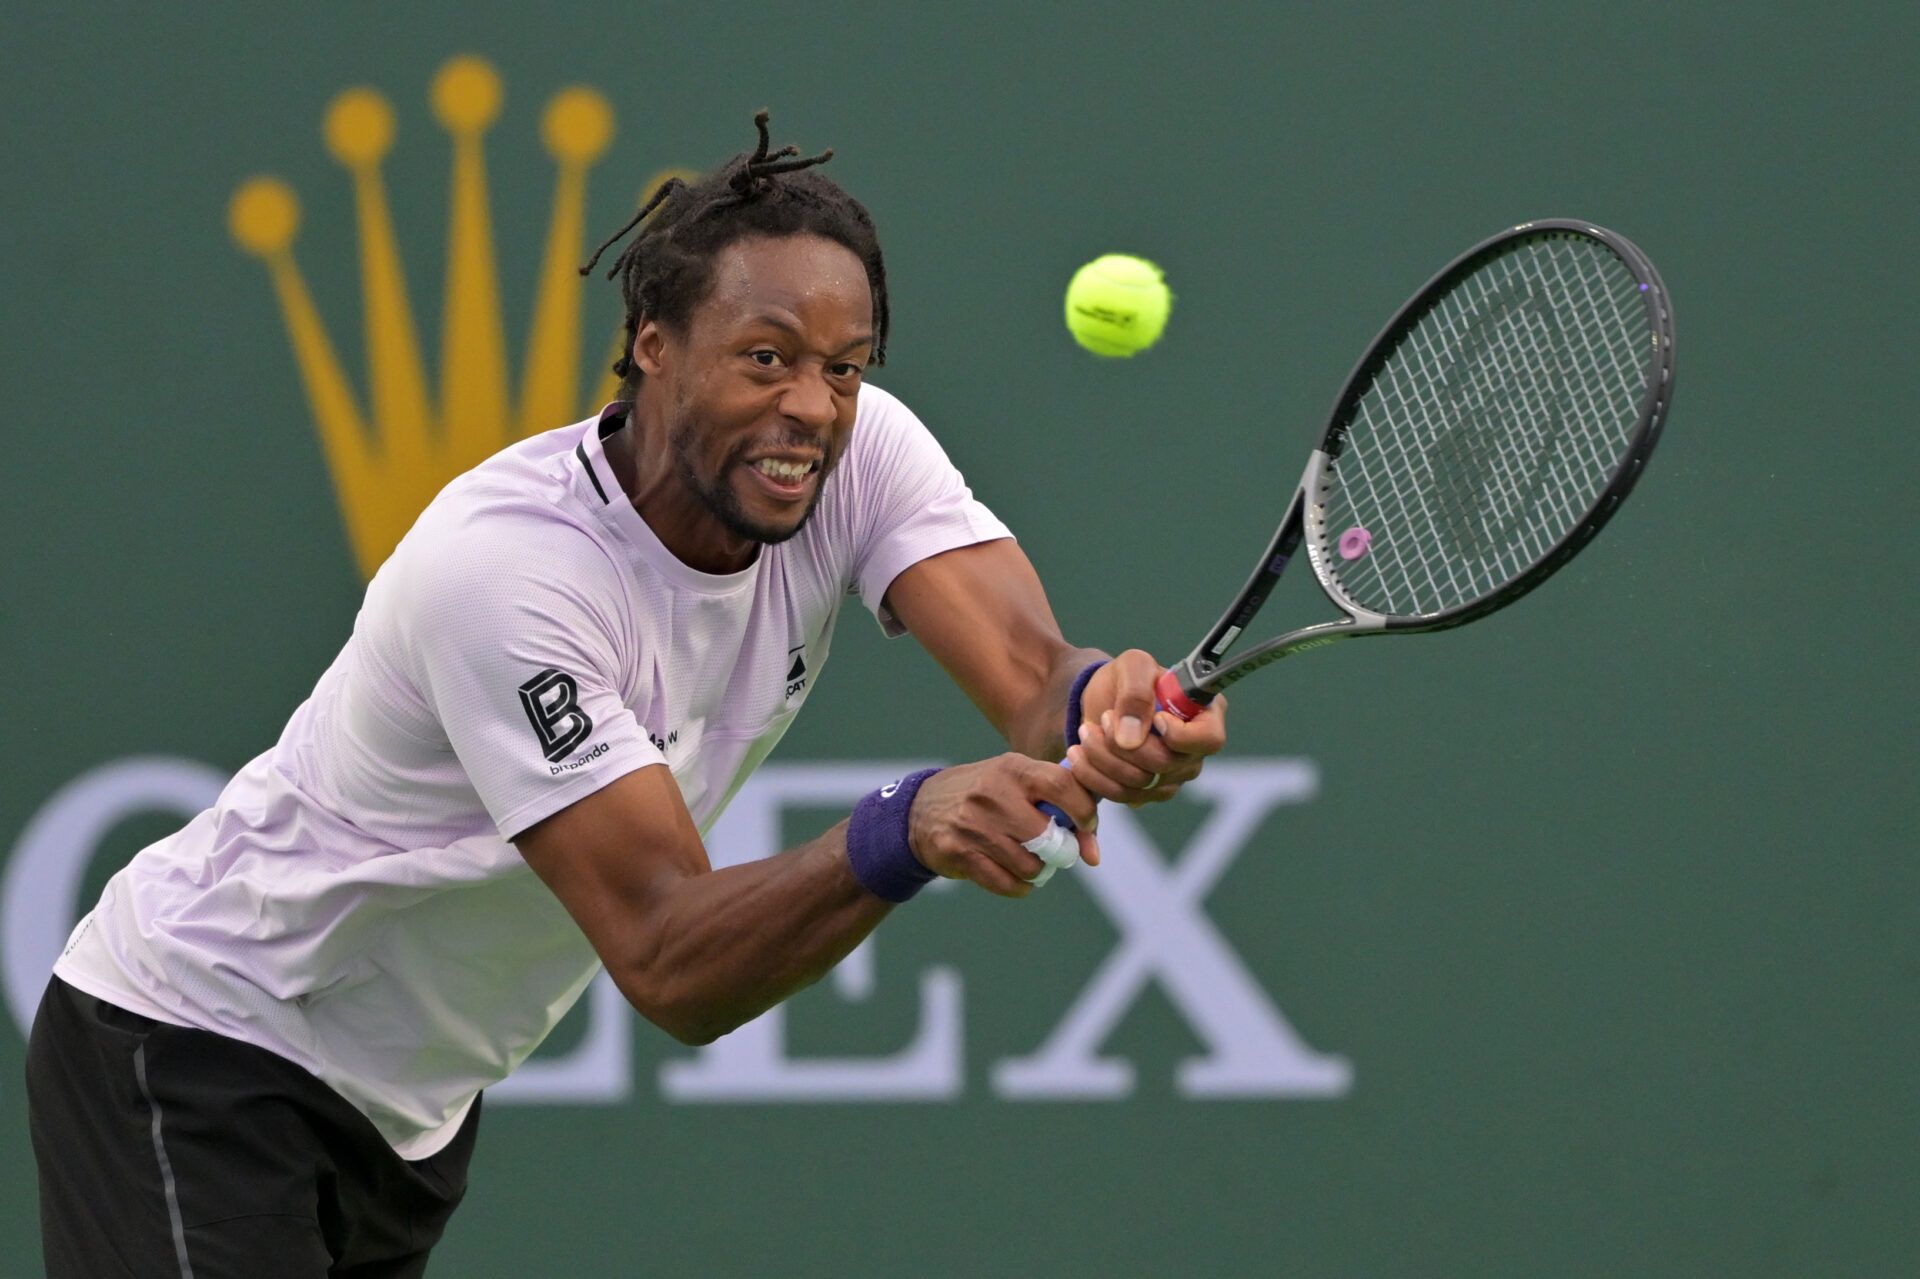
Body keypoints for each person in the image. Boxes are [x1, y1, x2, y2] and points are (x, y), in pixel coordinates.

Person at [25, 113, 1228, 1278]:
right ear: (653, 342)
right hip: (204, 1039)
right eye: (767, 358)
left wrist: (1107, 711)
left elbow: (1032, 673)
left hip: (409, 1110)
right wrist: (900, 826)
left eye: (842, 368)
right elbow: (667, 954)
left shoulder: (860, 456)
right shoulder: (509, 575)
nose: (810, 405)